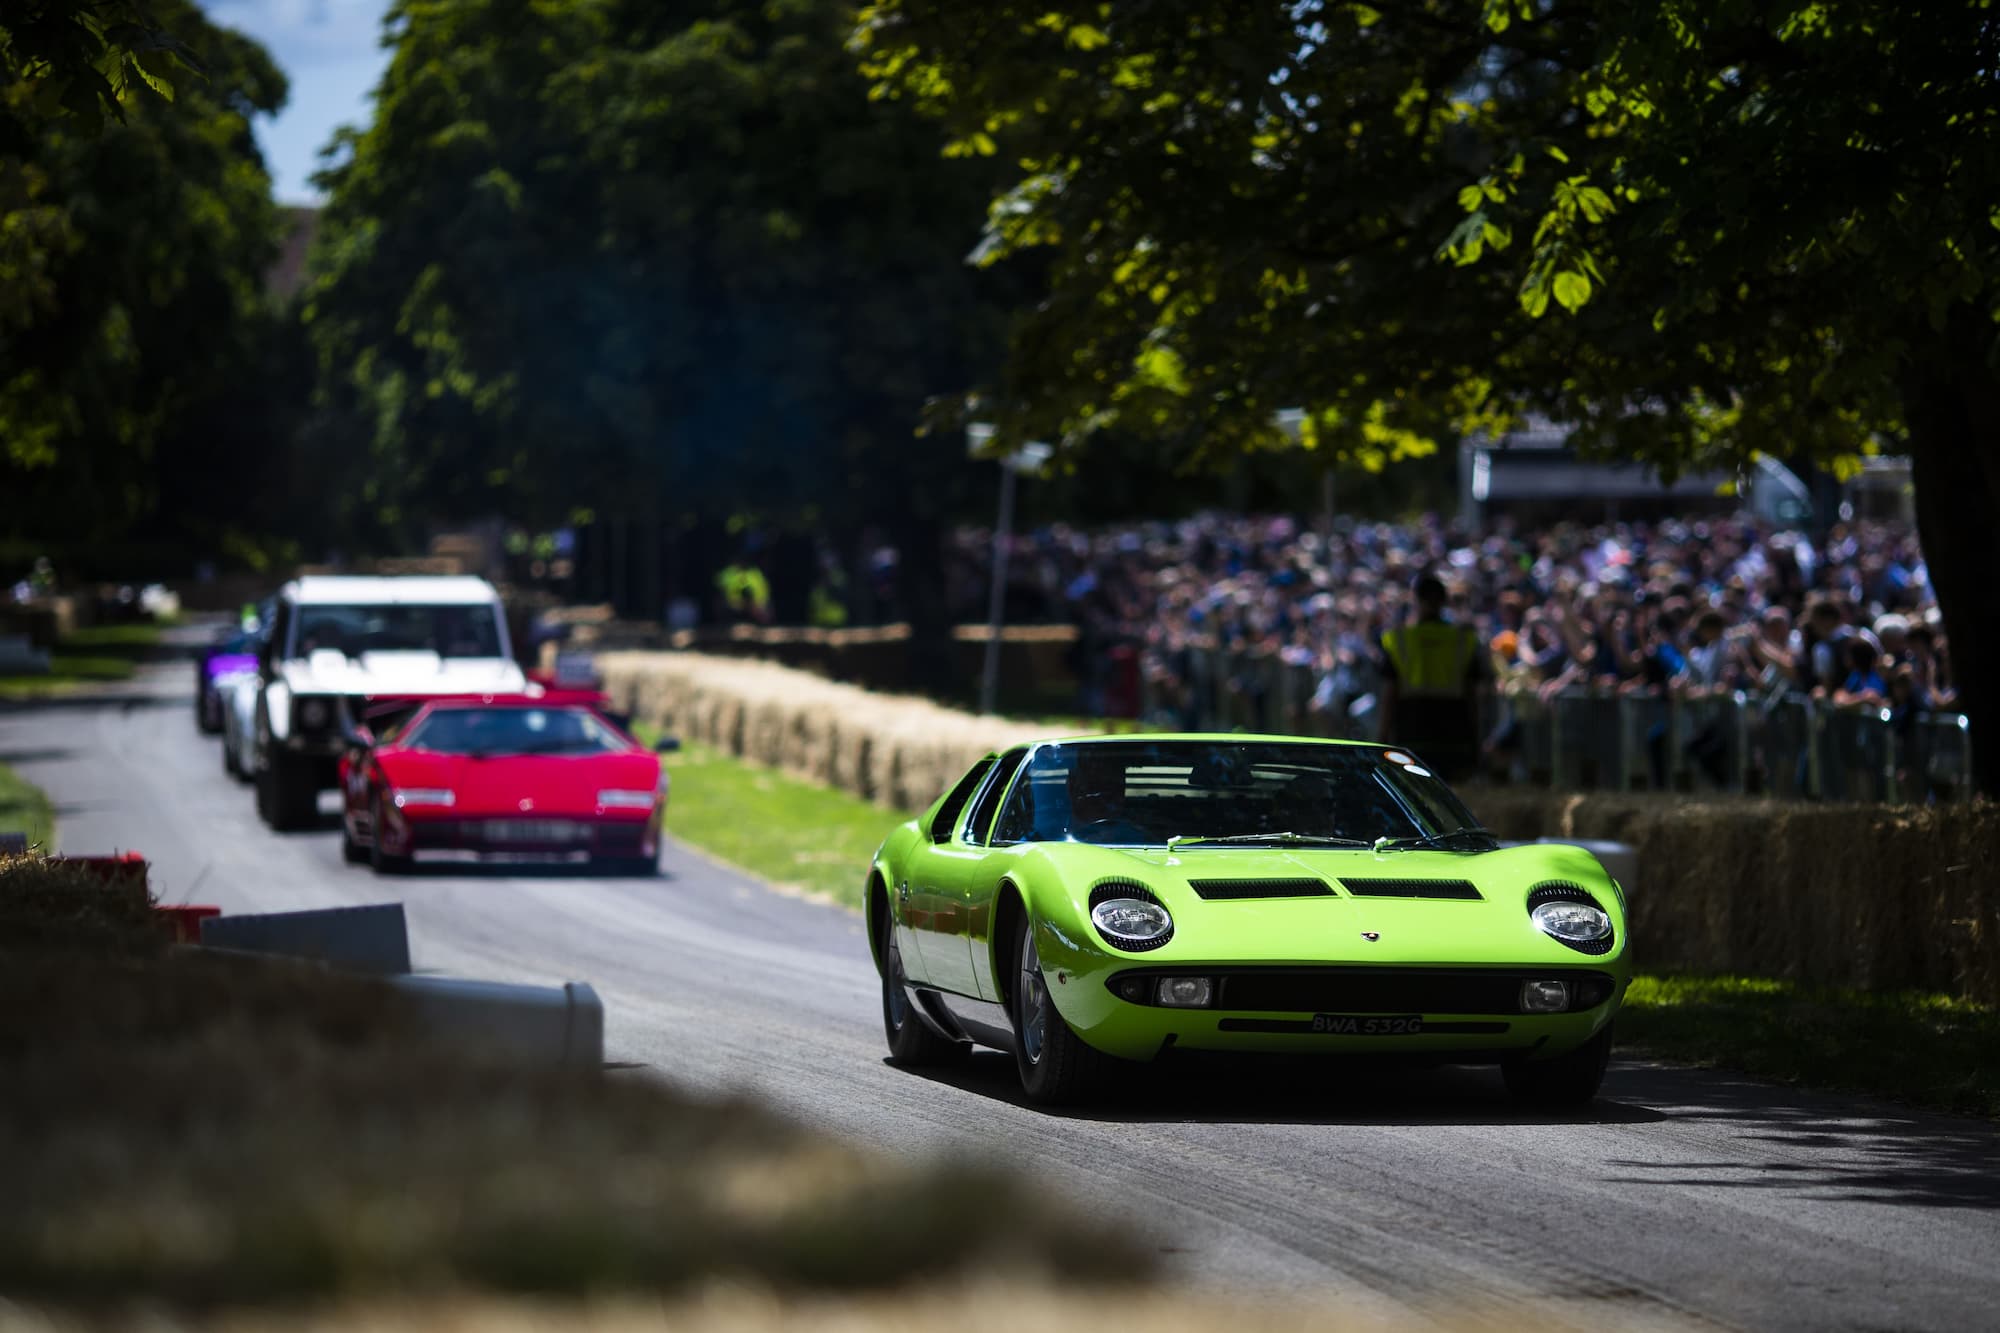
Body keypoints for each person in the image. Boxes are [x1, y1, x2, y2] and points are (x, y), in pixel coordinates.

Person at [1377, 573, 1482, 780]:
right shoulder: (1464, 639)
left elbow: (1389, 692)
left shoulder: (1397, 639)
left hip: (1412, 727)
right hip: (1455, 729)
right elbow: (1474, 694)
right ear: (1443, 601)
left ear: (1415, 600)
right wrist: (1477, 738)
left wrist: (1383, 736)